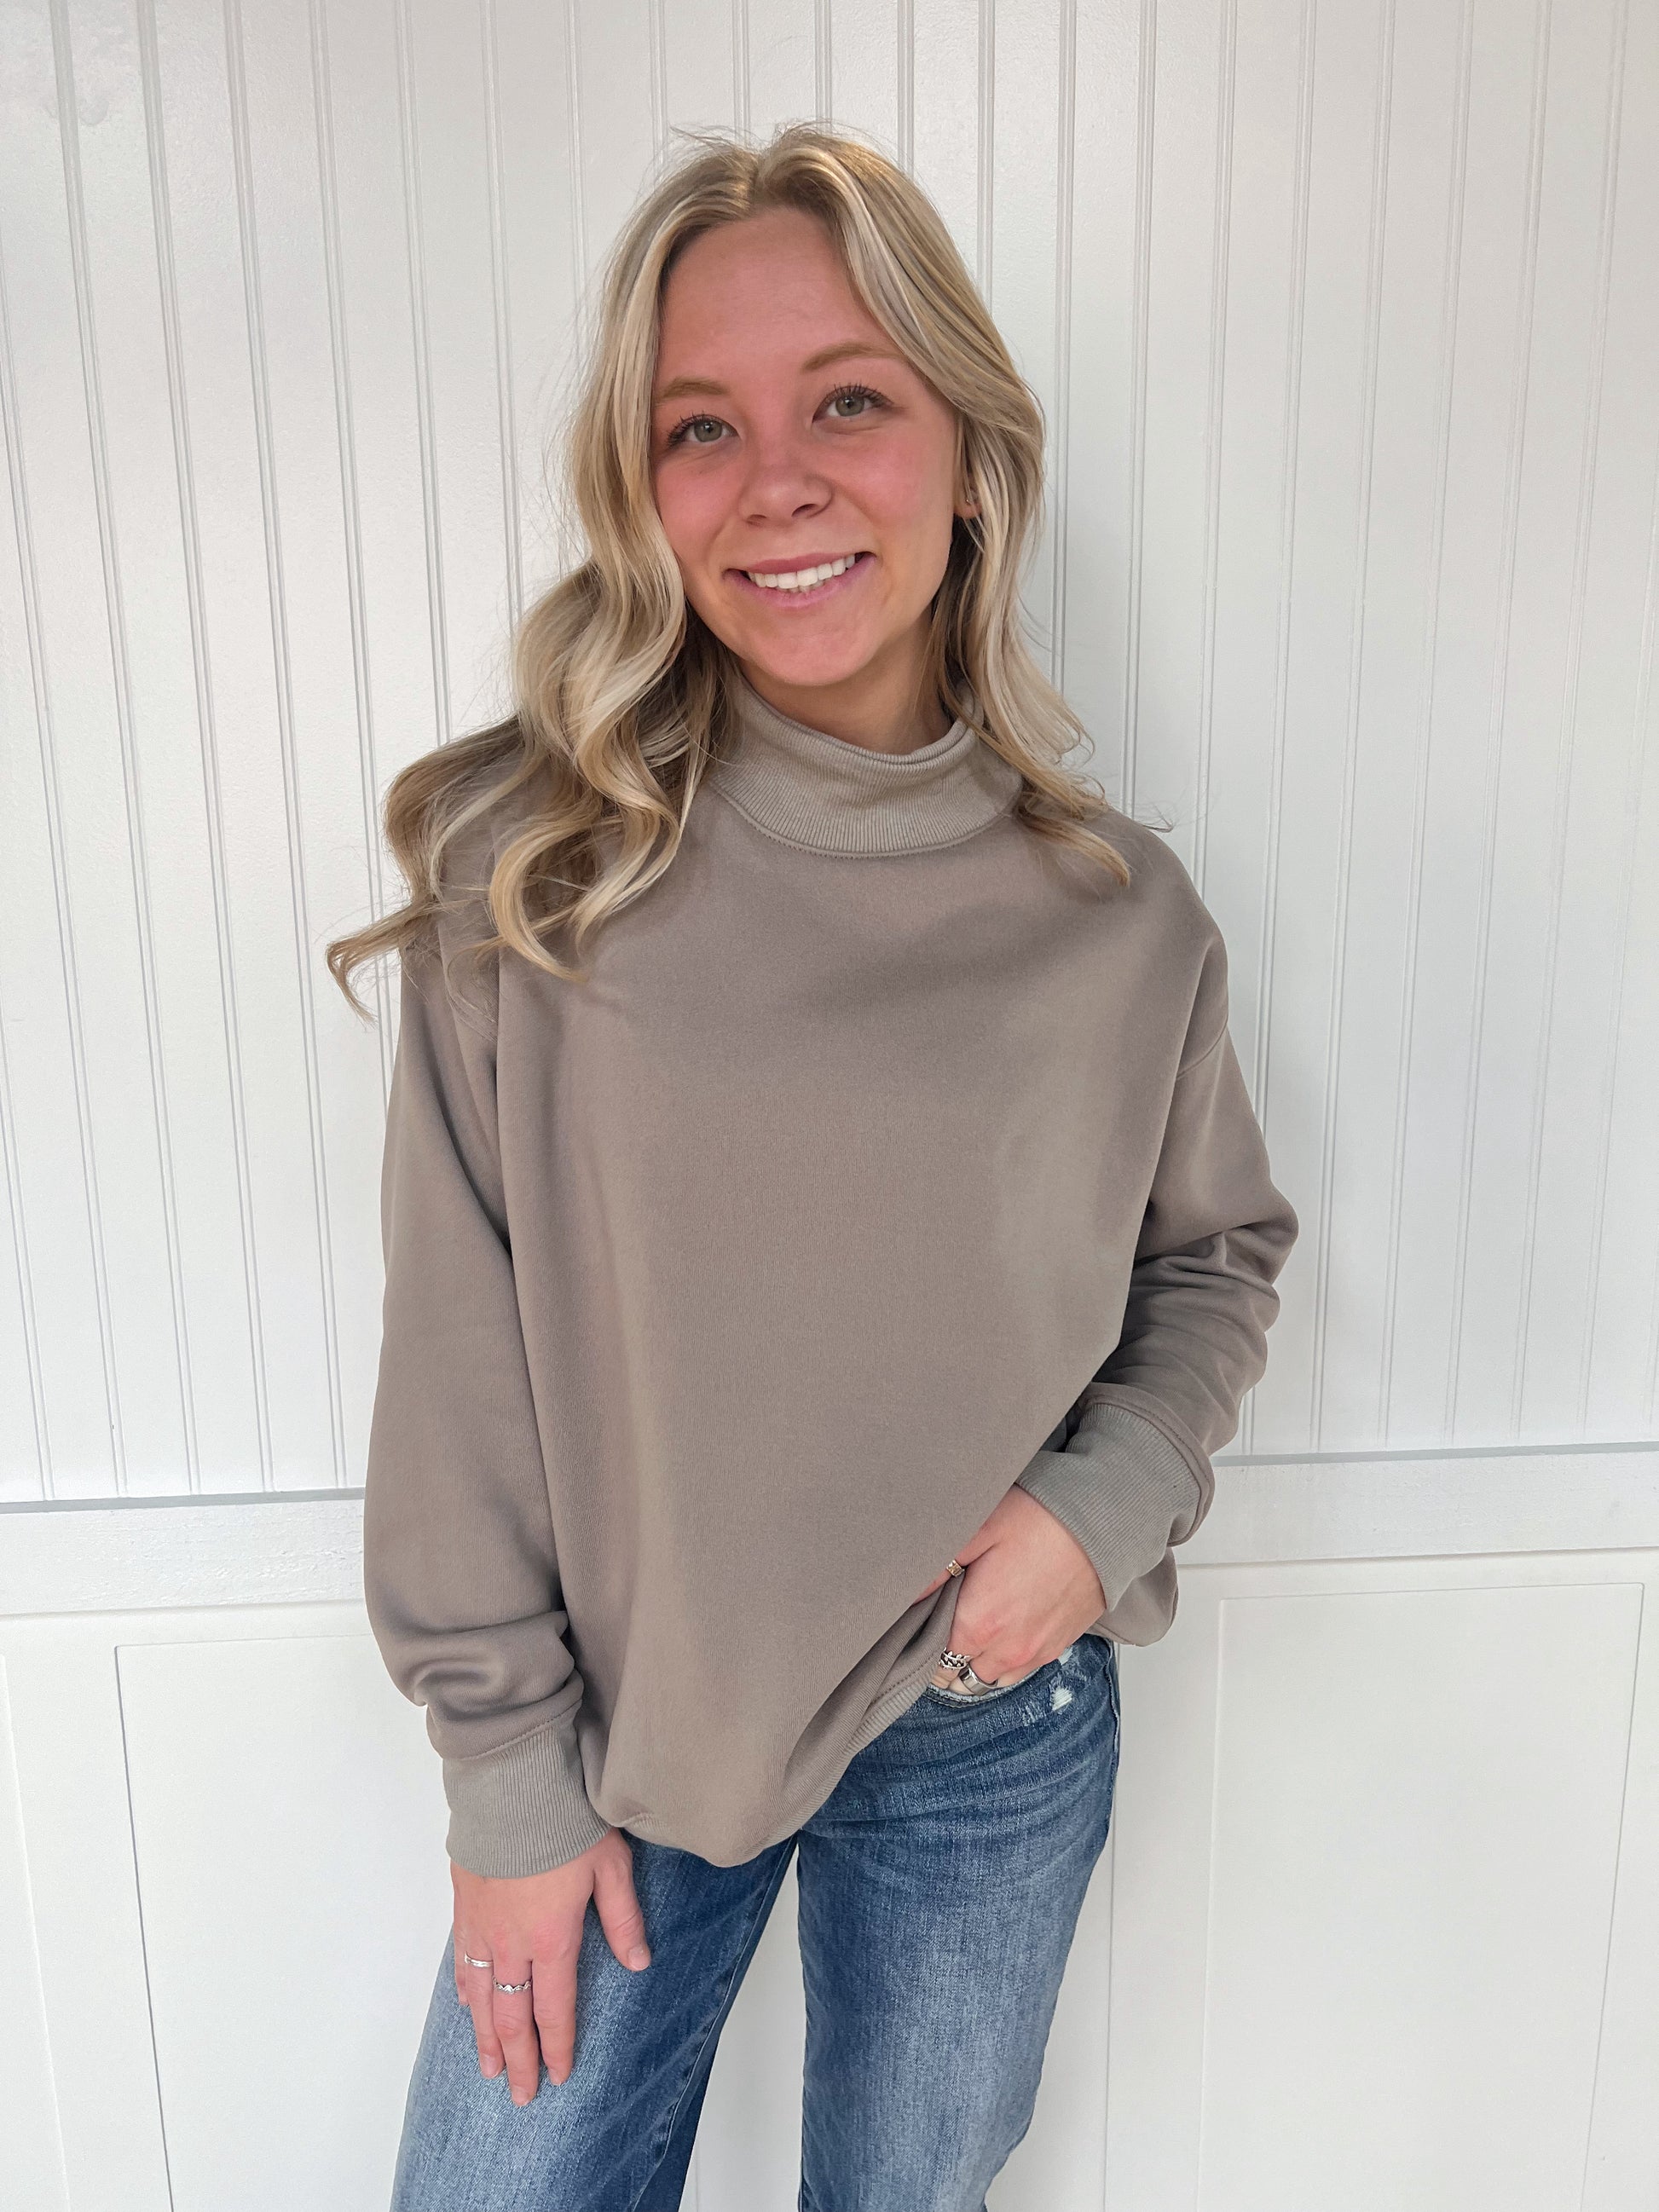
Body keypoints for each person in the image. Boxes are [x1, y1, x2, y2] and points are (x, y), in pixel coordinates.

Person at [327, 119, 1298, 2212]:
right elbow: (459, 1355)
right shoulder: (542, 884)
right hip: (630, 1732)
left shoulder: (1119, 916)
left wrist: (1094, 1514)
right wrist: (505, 1778)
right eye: (702, 425)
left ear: (970, 456)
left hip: (988, 1715)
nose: (774, 480)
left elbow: (1214, 1257)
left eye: (847, 400)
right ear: (643, 490)